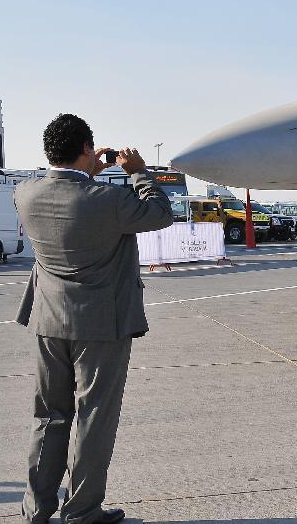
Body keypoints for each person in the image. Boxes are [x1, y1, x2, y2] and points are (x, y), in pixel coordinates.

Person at [15, 114, 173, 524]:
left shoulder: (26, 192)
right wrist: (138, 173)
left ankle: (36, 509)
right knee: (93, 417)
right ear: (87, 148)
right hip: (100, 325)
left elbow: (68, 197)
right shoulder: (107, 199)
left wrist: (88, 171)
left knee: (49, 416)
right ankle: (81, 510)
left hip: (48, 321)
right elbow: (158, 212)